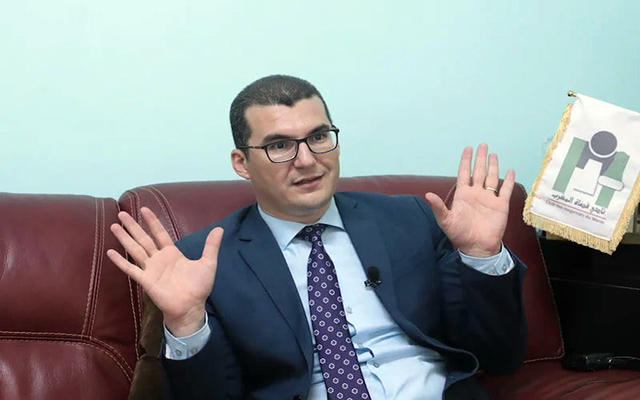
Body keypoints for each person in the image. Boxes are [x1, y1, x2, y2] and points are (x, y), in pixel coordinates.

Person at [107, 75, 527, 400]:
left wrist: (482, 257)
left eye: (319, 137)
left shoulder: (409, 219)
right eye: (279, 146)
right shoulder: (205, 261)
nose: (307, 160)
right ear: (242, 163)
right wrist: (186, 325)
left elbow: (499, 356)